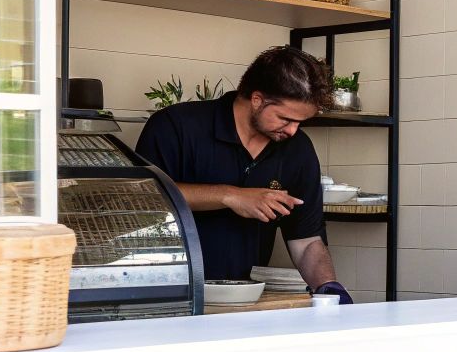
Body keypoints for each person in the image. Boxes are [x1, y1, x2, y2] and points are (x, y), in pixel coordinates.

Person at [136, 45, 352, 302]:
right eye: (285, 118)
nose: (293, 131)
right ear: (257, 99)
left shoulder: (298, 150)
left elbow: (306, 242)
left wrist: (328, 287)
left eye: (300, 122)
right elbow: (143, 198)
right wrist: (230, 196)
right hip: (166, 293)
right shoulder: (176, 126)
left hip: (246, 298)